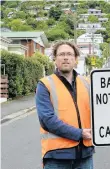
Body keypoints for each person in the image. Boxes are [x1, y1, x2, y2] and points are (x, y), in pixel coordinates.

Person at [35, 41, 94, 169]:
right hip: (56, 157)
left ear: (76, 59)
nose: (65, 57)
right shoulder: (45, 84)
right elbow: (47, 120)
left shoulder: (88, 83)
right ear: (55, 59)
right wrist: (79, 133)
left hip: (85, 155)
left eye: (69, 54)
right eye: (61, 54)